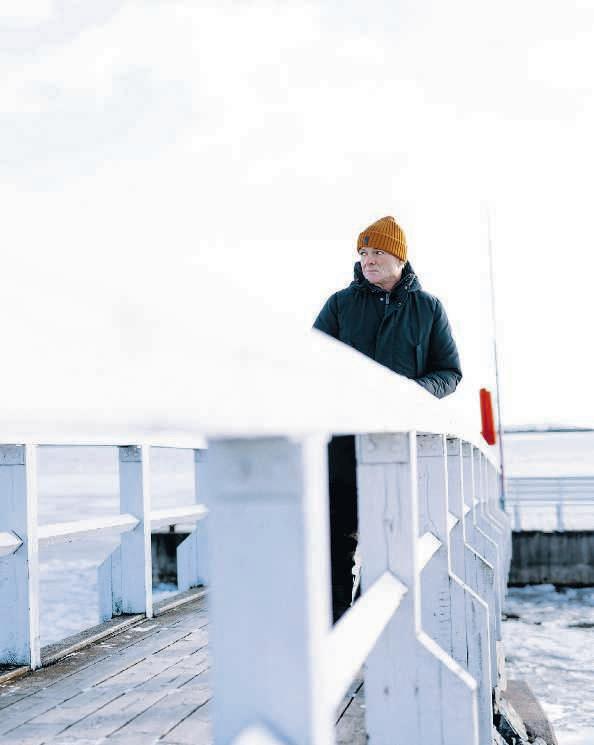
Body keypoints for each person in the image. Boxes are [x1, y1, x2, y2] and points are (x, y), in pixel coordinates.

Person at [313, 215, 462, 621]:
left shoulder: (428, 308)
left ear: (400, 258)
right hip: (343, 440)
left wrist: (411, 393)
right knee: (336, 535)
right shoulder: (339, 304)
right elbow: (312, 366)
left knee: (390, 535)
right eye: (363, 252)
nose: (368, 260)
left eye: (378, 251)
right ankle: (335, 623)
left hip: (400, 443)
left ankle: (369, 621)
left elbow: (449, 372)